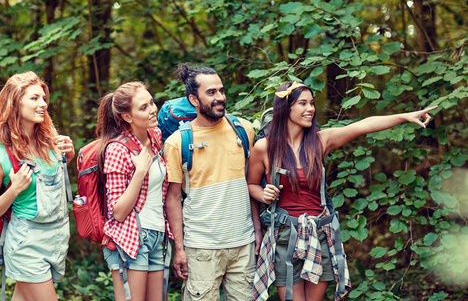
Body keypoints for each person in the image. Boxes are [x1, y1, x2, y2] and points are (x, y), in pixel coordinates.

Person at [248, 82, 438, 301]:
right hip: (284, 235)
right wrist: (263, 194)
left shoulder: (321, 141)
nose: (310, 109)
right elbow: (251, 183)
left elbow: (363, 125)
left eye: (312, 103)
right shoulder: (264, 147)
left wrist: (406, 116)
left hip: (320, 232)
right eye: (302, 103)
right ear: (285, 107)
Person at [164, 63, 262, 300]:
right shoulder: (178, 142)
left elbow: (251, 185)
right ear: (194, 100)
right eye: (211, 92)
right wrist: (179, 249)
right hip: (201, 249)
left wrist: (258, 231)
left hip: (244, 244)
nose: (219, 97)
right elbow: (173, 198)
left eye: (221, 90)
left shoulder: (243, 130)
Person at [0, 71, 75, 301]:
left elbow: (53, 183)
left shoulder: (50, 143)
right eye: (34, 98)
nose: (43, 104)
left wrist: (68, 159)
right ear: (15, 104)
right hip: (26, 243)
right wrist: (14, 190)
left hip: (56, 237)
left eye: (43, 98)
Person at [96, 81, 173, 301]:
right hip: (130, 239)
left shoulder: (155, 137)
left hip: (157, 235)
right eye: (143, 107)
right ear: (127, 117)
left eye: (151, 102)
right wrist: (140, 172)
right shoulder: (117, 149)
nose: (152, 109)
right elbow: (117, 212)